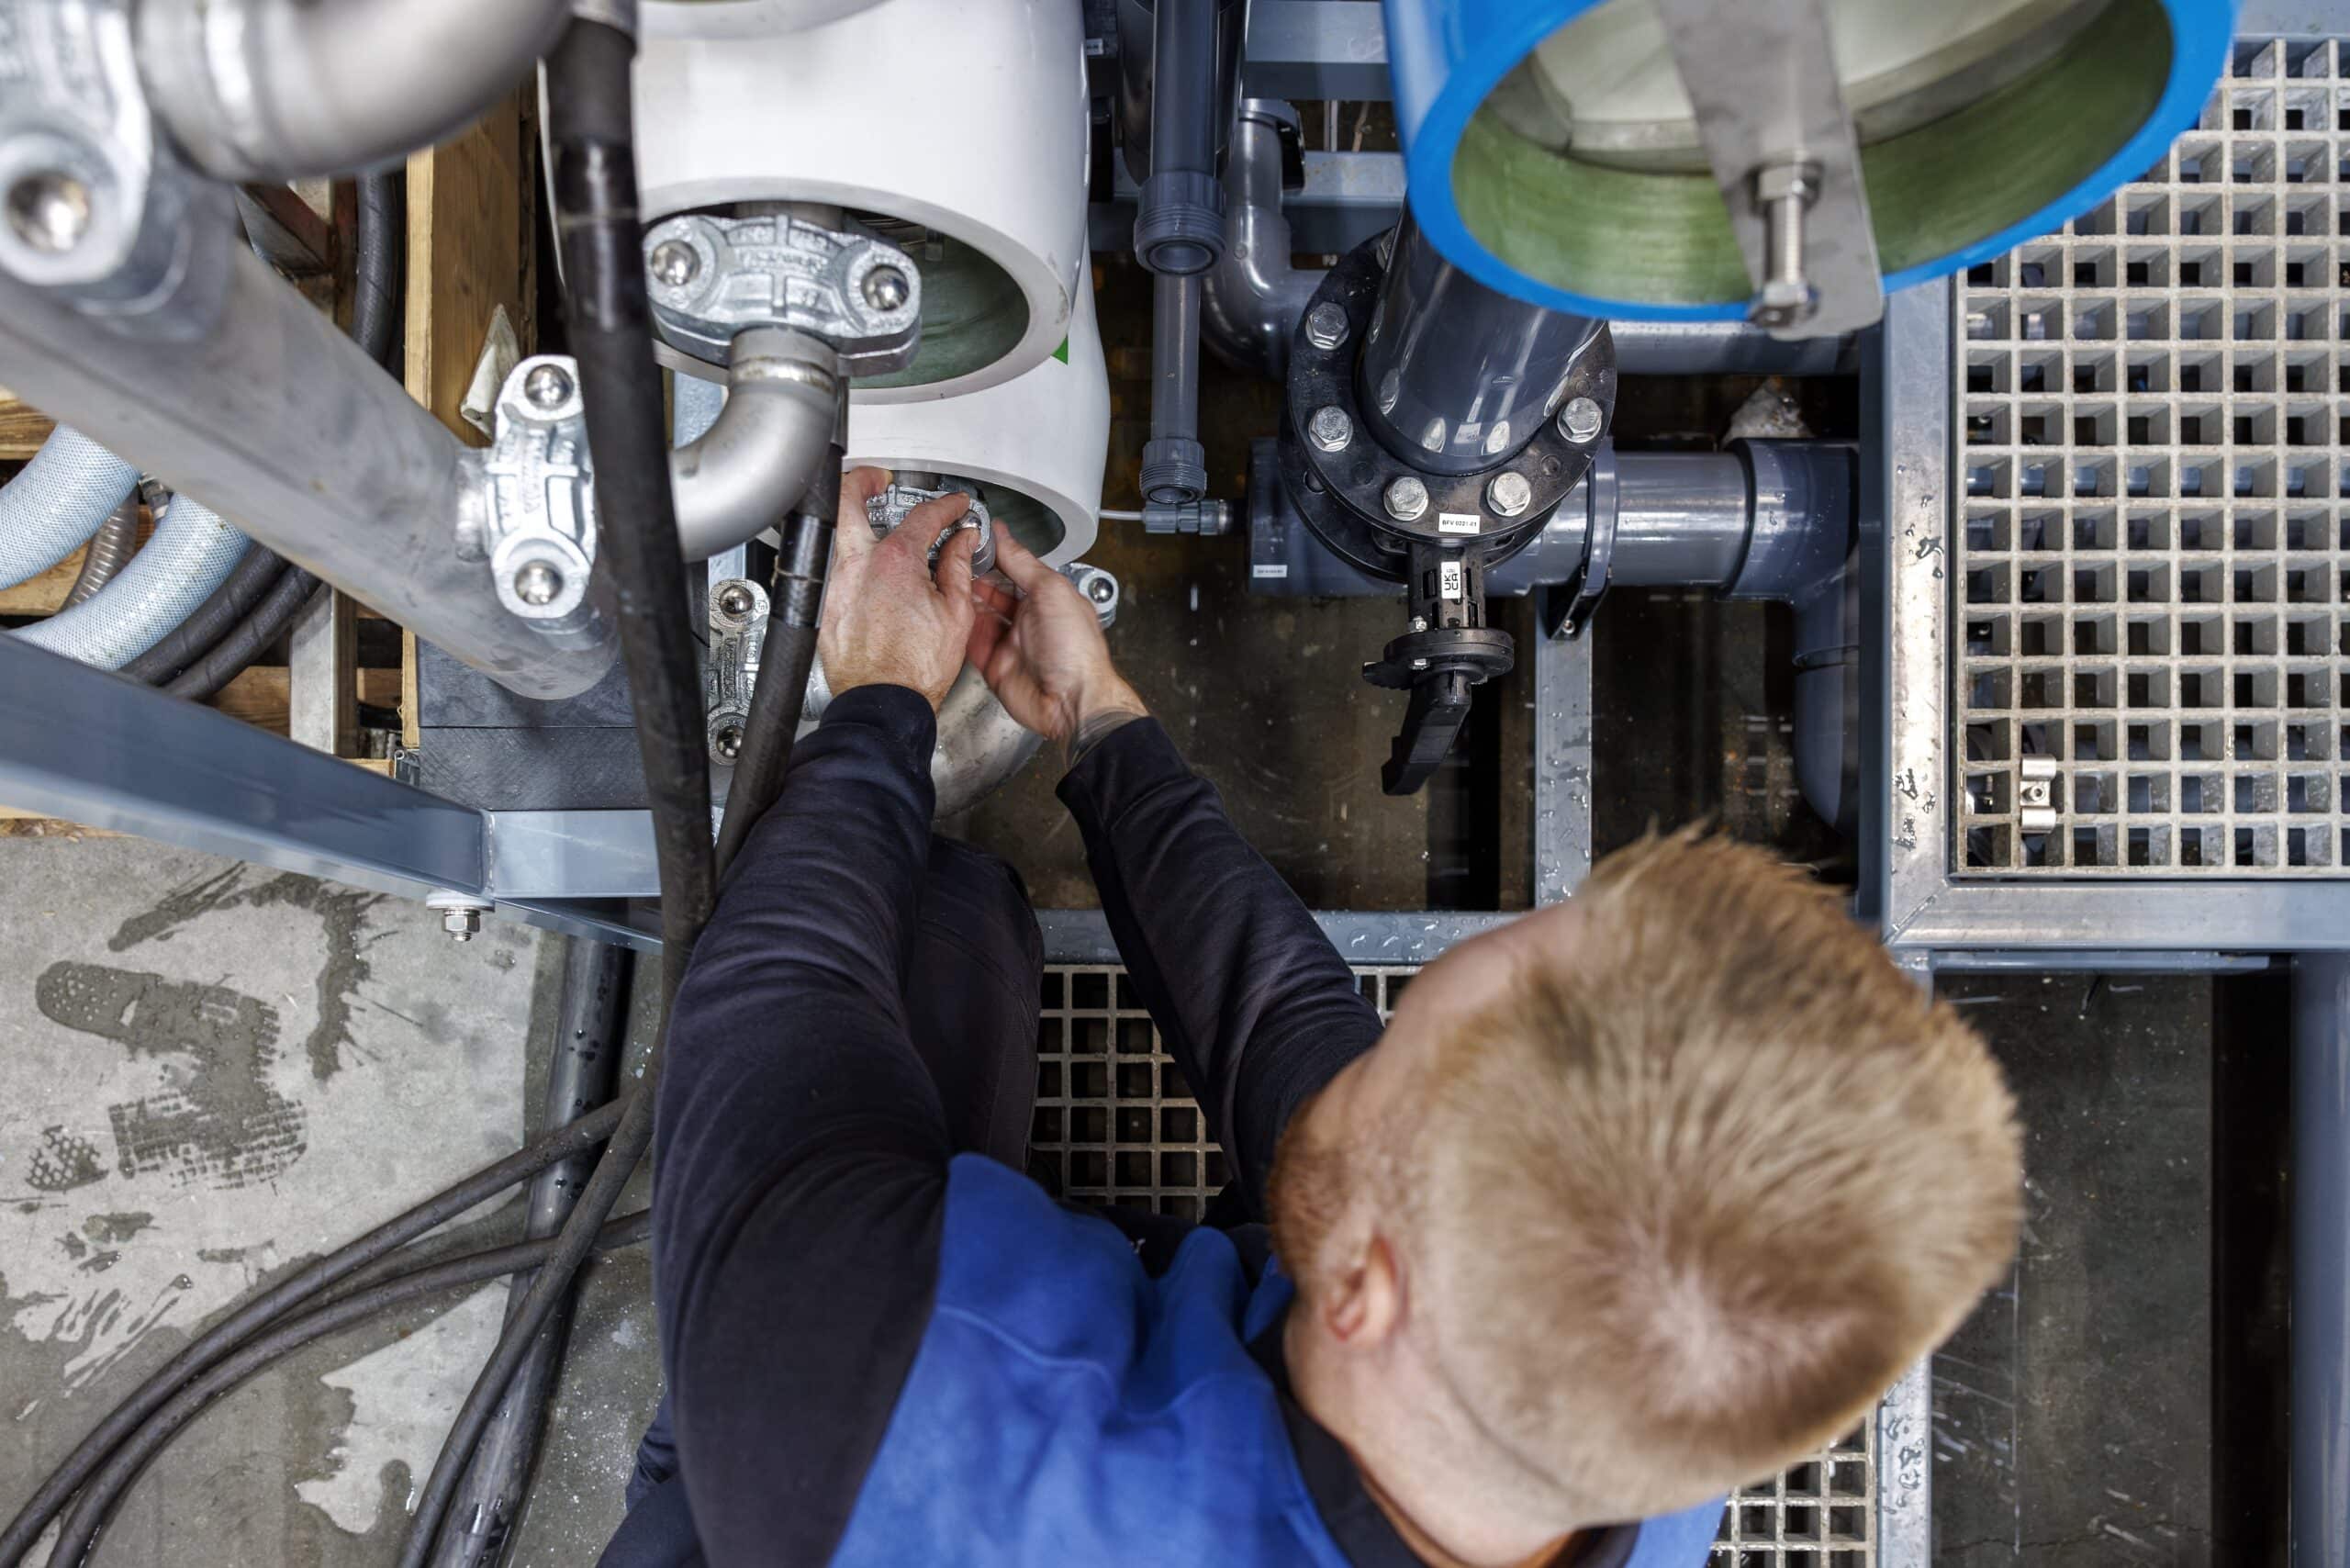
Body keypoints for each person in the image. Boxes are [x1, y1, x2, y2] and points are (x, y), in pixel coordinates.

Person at [600, 468, 2022, 1568]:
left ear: (1365, 1289)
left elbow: (771, 1004)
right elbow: (1299, 1046)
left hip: (810, 1453)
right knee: (962, 909)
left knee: (866, 959)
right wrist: (1106, 731)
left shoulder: (892, 1406)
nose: (1360, 1044)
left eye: (1395, 1058)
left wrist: (876, 708)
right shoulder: (1663, 1410)